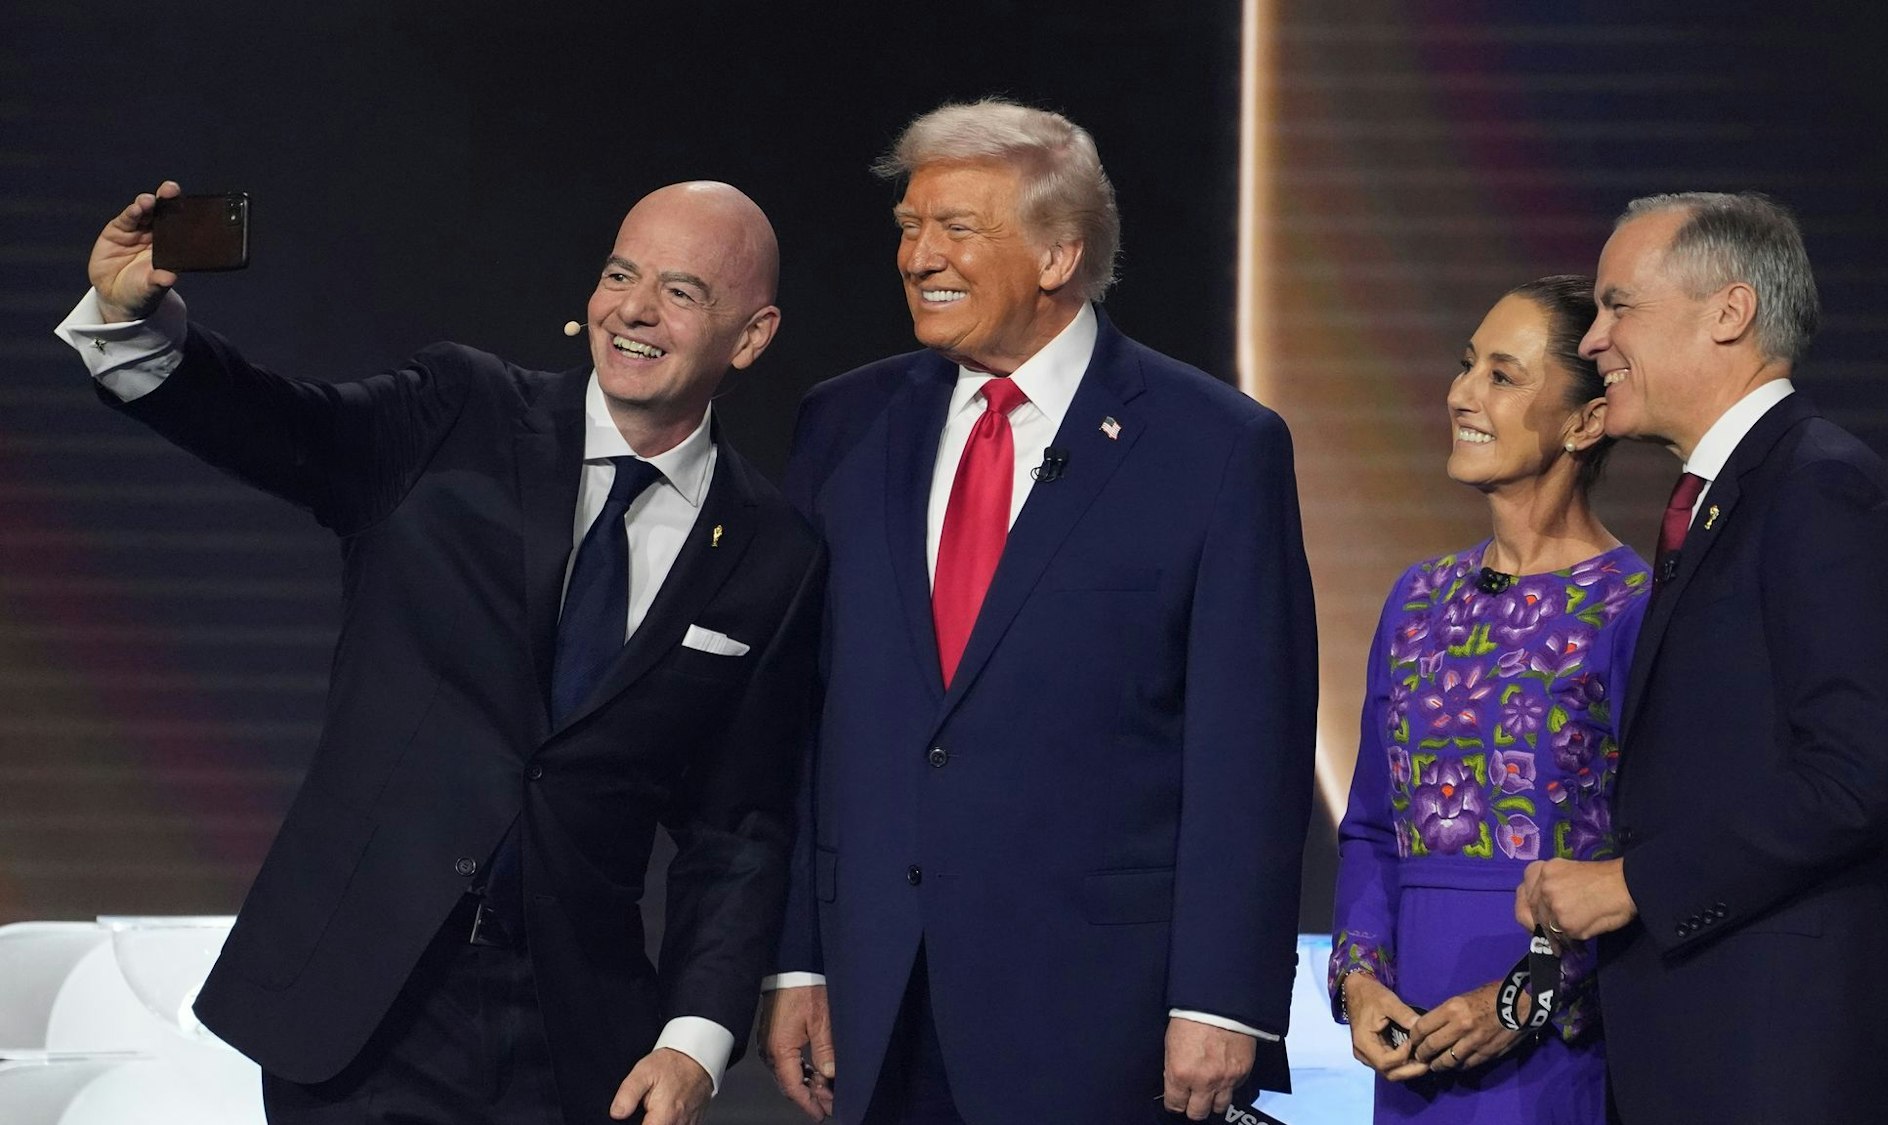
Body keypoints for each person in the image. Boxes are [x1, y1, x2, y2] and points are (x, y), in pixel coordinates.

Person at [56, 179, 824, 1125]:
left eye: (681, 291)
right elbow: (274, 425)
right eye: (620, 274)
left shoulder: (771, 551)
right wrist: (136, 326)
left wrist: (695, 1039)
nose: (632, 309)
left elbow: (736, 826)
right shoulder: (460, 411)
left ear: (750, 336)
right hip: (361, 1010)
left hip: (575, 1038)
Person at [758, 99, 1319, 1124]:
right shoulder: (842, 426)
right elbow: (804, 719)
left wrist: (1221, 997)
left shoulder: (1213, 448)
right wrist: (794, 959)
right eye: (907, 227)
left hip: (1100, 1012)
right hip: (876, 992)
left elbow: (1249, 750)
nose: (916, 254)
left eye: (955, 229)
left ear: (1059, 255)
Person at [1515, 192, 1888, 1123]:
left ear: (1730, 312)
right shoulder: (1725, 499)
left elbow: (1850, 778)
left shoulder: (1822, 487)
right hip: (1713, 1043)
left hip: (1788, 1056)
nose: (1593, 340)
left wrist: (1633, 882)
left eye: (1617, 304)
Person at [1331, 276, 1648, 1124]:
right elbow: (1370, 824)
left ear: (1585, 421)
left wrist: (1522, 1001)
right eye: (1467, 365)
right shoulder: (1420, 596)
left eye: (1502, 376)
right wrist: (1360, 979)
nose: (1460, 393)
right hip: (1412, 1047)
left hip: (1561, 1053)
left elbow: (1653, 861)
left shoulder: (1633, 609)